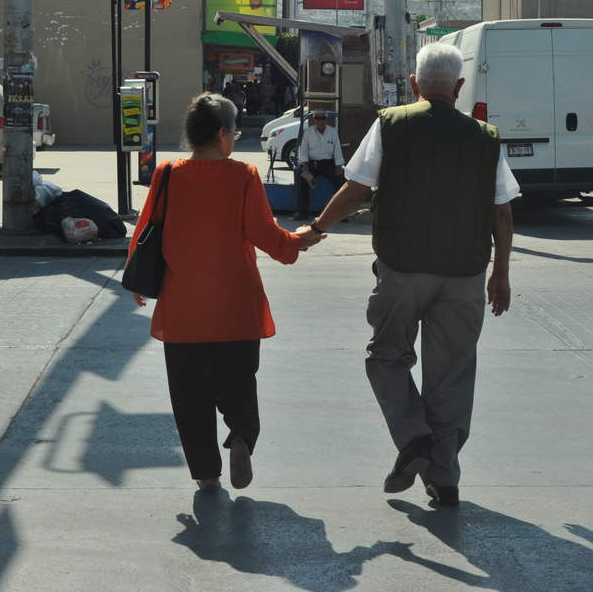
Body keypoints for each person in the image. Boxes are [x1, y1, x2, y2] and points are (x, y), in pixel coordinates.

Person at [307, 42, 518, 508]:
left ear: (414, 84)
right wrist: (500, 275)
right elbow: (501, 214)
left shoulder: (391, 124)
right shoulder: (485, 137)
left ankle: (414, 437)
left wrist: (317, 228)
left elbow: (356, 188)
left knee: (385, 356)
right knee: (452, 376)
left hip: (402, 269)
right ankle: (444, 479)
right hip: (465, 274)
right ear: (459, 89)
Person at [125, 93, 321, 492]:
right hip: (237, 308)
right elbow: (266, 235)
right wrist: (298, 241)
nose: (234, 138)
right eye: (233, 131)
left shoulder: (167, 173)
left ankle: (207, 476)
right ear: (220, 135)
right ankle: (242, 437)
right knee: (239, 386)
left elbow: (146, 228)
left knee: (189, 398)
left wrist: (137, 280)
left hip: (183, 312)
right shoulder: (243, 175)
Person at [292, 111, 345, 221]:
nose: (320, 120)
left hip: (328, 163)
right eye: (317, 118)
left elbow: (337, 150)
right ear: (314, 119)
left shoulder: (332, 132)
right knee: (301, 177)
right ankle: (302, 212)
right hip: (311, 163)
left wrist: (339, 165)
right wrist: (305, 164)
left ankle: (341, 213)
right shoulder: (307, 132)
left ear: (326, 120)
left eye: (322, 118)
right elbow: (304, 150)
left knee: (341, 180)